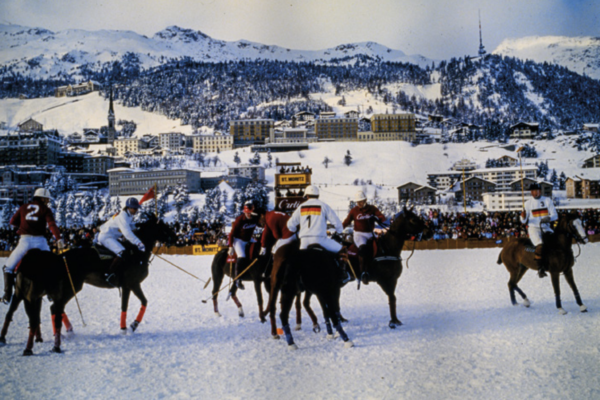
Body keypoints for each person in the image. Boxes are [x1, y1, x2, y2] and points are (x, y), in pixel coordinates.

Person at [2, 188, 64, 304]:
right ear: (42, 198)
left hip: (24, 241)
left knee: (8, 267)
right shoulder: (45, 209)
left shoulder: (23, 207)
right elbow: (52, 225)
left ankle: (7, 295)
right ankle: (51, 292)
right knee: (53, 266)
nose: (47, 201)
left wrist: (23, 225)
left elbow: (12, 222)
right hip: (40, 242)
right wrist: (58, 238)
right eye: (46, 199)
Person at [286, 185, 346, 259]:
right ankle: (345, 270)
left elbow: (290, 224)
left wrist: (294, 230)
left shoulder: (301, 207)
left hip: (304, 242)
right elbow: (337, 222)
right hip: (321, 240)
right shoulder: (324, 206)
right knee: (342, 250)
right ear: (318, 195)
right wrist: (339, 230)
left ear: (307, 196)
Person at [97, 197, 145, 286]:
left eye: (137, 208)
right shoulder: (123, 216)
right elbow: (127, 233)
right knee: (122, 252)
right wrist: (138, 243)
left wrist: (139, 226)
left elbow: (131, 226)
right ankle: (109, 274)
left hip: (112, 236)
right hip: (106, 237)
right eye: (135, 208)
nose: (136, 210)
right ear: (129, 208)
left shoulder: (128, 215)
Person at [343, 190, 387, 284]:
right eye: (358, 202)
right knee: (363, 249)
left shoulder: (372, 209)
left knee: (379, 247)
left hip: (370, 233)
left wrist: (378, 218)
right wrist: (339, 229)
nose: (359, 203)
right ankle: (363, 273)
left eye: (361, 201)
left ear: (365, 200)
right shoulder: (354, 211)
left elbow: (382, 218)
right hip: (359, 234)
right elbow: (347, 222)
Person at [520, 183, 558, 278]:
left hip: (546, 227)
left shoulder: (547, 200)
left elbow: (555, 215)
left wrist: (548, 218)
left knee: (557, 242)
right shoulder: (528, 203)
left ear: (539, 191)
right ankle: (540, 268)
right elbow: (523, 221)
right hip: (534, 228)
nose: (533, 193)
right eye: (532, 191)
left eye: (535, 191)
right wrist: (523, 217)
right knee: (540, 245)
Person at [228, 200, 264, 290]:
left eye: (250, 213)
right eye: (247, 213)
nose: (248, 214)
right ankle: (238, 278)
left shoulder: (255, 218)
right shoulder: (239, 220)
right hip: (238, 240)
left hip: (249, 238)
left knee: (259, 247)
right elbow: (231, 234)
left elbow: (261, 224)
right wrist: (231, 246)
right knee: (242, 256)